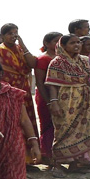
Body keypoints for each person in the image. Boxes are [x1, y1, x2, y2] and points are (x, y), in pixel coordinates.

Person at [44, 34, 90, 177]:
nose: (77, 45)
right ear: (63, 46)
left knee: (83, 130)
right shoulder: (57, 62)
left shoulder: (84, 60)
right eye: (72, 43)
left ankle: (75, 163)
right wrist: (53, 102)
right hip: (66, 99)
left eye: (78, 42)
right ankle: (58, 164)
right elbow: (52, 85)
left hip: (84, 99)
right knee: (63, 130)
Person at [0, 24, 40, 163]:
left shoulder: (20, 49)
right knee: (11, 122)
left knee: (26, 120)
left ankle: (29, 158)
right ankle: (13, 158)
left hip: (23, 90)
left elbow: (33, 64)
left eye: (16, 33)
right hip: (6, 91)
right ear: (3, 36)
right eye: (10, 33)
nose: (13, 36)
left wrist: (23, 45)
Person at [34, 32, 64, 162]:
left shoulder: (62, 57)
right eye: (55, 41)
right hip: (46, 96)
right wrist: (49, 101)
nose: (59, 44)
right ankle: (47, 155)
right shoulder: (43, 59)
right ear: (46, 43)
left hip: (62, 97)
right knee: (48, 125)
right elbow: (40, 83)